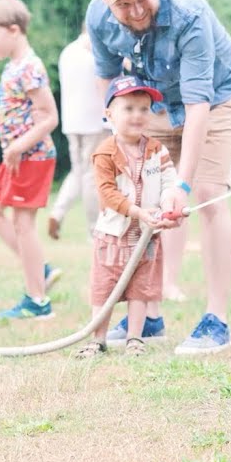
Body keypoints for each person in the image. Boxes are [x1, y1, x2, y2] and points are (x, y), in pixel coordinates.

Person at [86, 0, 231, 355]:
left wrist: (184, 185)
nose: (138, 10)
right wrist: (114, 134)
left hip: (216, 99)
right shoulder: (98, 18)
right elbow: (106, 81)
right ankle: (150, 315)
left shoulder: (189, 14)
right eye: (125, 4)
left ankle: (217, 321)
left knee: (209, 195)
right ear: (106, 1)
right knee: (145, 199)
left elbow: (198, 106)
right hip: (153, 101)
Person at [74, 75, 181, 358]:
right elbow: (108, 194)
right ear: (109, 114)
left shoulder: (157, 151)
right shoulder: (105, 153)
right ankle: (97, 340)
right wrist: (137, 212)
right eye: (129, 108)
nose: (137, 115)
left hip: (146, 238)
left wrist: (169, 201)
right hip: (113, 237)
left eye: (144, 109)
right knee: (105, 288)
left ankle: (135, 338)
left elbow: (170, 182)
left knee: (140, 290)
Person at [0, 0, 62, 320]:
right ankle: (39, 268)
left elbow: (50, 118)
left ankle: (38, 301)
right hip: (15, 158)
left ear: (14, 30)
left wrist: (17, 147)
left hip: (31, 156)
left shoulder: (30, 67)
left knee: (23, 225)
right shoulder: (15, 66)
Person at [141, 0, 191, 302]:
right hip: (152, 118)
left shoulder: (195, 12)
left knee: (180, 202)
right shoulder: (135, 15)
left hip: (191, 117)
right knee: (147, 199)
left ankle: (170, 280)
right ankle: (144, 280)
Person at [47, 30, 109, 242]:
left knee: (79, 172)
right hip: (95, 122)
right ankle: (94, 230)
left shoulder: (68, 52)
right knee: (92, 175)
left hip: (72, 122)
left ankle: (58, 211)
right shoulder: (97, 53)